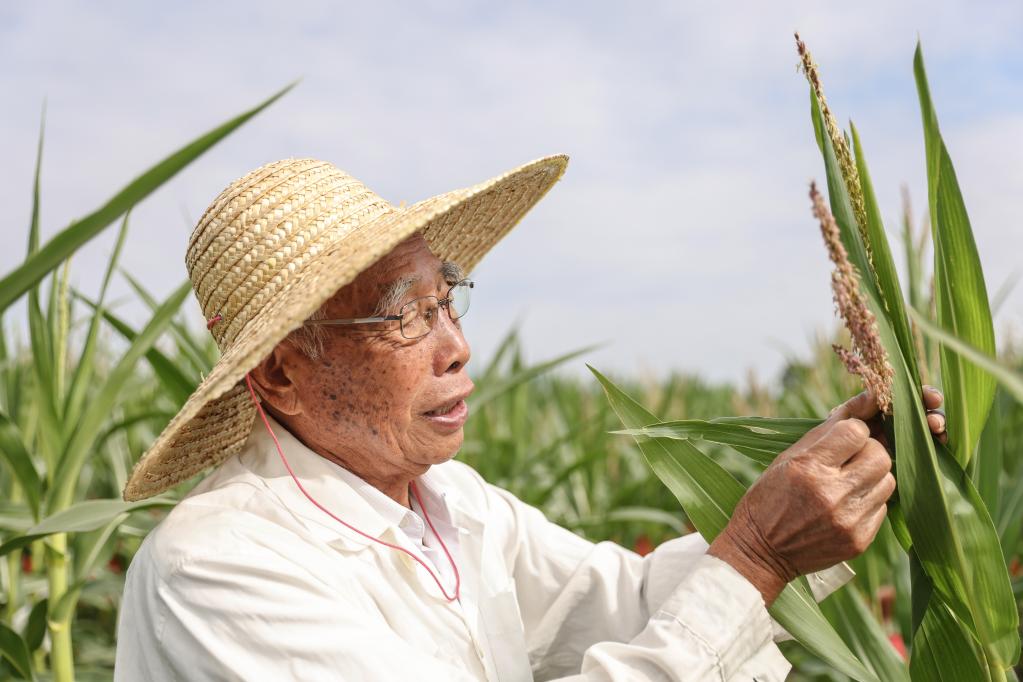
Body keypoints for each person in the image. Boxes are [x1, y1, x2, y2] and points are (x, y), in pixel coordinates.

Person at [114, 156, 946, 681]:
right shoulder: (218, 570)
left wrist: (826, 486)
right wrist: (757, 555)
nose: (458, 348)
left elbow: (622, 599)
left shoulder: (452, 503)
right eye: (404, 316)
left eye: (449, 302)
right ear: (283, 372)